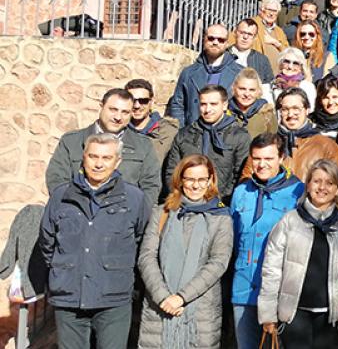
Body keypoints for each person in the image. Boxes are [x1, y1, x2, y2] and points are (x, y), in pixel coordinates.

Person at [40, 133, 151, 349]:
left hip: (113, 298)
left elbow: (140, 239)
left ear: (118, 161)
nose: (98, 164)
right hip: (69, 296)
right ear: (84, 157)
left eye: (106, 158)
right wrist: (64, 270)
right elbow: (47, 241)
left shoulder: (134, 198)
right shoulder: (61, 196)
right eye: (93, 156)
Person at [137, 155, 232, 349]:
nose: (195, 186)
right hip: (159, 308)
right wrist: (163, 297)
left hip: (200, 311)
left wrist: (181, 297)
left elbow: (218, 263)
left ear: (210, 180)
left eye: (201, 179)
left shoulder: (221, 218)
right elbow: (146, 257)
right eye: (189, 179)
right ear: (180, 180)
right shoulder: (161, 212)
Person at [259, 159, 338, 348]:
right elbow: (271, 270)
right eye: (317, 181)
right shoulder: (289, 221)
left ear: (337, 189)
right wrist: (268, 314)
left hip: (331, 316)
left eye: (329, 183)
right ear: (308, 184)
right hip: (295, 314)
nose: (322, 187)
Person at [229, 134, 304, 349]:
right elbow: (234, 238)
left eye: (268, 159)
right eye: (257, 158)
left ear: (281, 158)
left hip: (278, 292)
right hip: (243, 288)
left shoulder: (297, 192)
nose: (262, 165)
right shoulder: (241, 192)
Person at [46, 88, 161, 204]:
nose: (118, 117)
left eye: (125, 112)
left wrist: (135, 214)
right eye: (113, 109)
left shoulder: (143, 146)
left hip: (125, 215)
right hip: (77, 213)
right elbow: (57, 180)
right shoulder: (72, 141)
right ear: (101, 106)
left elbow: (151, 185)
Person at [165, 84, 251, 201]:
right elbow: (173, 172)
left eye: (213, 104)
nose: (207, 110)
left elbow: (241, 176)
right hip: (186, 203)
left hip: (222, 205)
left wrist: (221, 201)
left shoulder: (240, 136)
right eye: (203, 104)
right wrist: (182, 198)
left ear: (224, 105)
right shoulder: (184, 135)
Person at [167, 23, 244, 127]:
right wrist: (182, 133)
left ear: (227, 43)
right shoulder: (188, 73)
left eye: (221, 40)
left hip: (227, 136)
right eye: (211, 38)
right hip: (193, 135)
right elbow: (177, 105)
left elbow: (245, 106)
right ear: (204, 39)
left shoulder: (240, 73)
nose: (215, 42)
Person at [275, 88, 338, 183]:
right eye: (285, 109)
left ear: (307, 110)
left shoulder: (326, 146)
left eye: (296, 108)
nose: (290, 114)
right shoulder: (268, 144)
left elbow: (337, 186)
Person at [126, 78, 180, 164]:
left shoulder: (169, 132)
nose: (137, 106)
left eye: (143, 101)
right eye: (132, 100)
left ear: (151, 102)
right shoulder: (119, 131)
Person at [261, 47, 318, 113]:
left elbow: (310, 111)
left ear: (301, 67)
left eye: (295, 63)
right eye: (287, 62)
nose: (290, 67)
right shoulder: (267, 89)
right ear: (280, 64)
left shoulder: (307, 87)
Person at [229, 68, 278, 137]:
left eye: (252, 90)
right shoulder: (224, 111)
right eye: (242, 89)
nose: (246, 94)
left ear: (258, 91)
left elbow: (274, 142)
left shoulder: (267, 114)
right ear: (234, 88)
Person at [228, 19, 275, 83]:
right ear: (235, 33)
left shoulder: (262, 60)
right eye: (242, 32)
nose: (245, 37)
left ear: (255, 38)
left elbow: (269, 85)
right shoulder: (224, 55)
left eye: (250, 34)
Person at [252, 0, 291, 72]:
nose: (271, 13)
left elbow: (288, 52)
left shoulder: (280, 31)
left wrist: (276, 43)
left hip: (276, 75)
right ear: (262, 10)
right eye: (269, 10)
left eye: (274, 11)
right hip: (256, 72)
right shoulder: (251, 24)